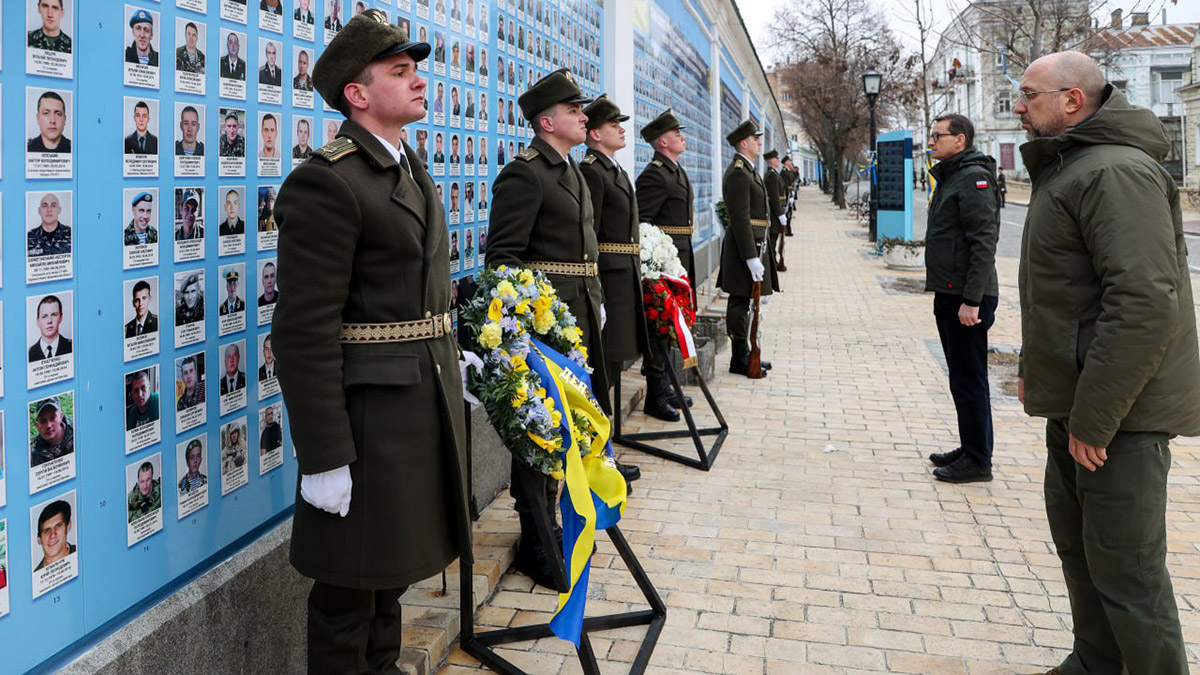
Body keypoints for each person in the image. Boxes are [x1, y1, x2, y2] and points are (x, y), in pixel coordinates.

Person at [272, 12, 470, 672]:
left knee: (386, 581)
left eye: (416, 69)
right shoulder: (329, 180)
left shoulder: (406, 167)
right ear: (357, 93)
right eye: (400, 71)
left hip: (411, 413)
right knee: (346, 596)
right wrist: (323, 455)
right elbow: (303, 333)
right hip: (365, 423)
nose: (418, 81)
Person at [1014, 50, 1200, 675]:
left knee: (1129, 572)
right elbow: (1067, 297)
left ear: (1072, 100)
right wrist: (1037, 374)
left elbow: (1144, 302)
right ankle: (1095, 663)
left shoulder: (1114, 172)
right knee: (1083, 552)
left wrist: (1094, 418)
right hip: (1080, 410)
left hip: (1117, 419)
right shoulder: (1073, 166)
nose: (1019, 106)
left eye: (1029, 94)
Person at [486, 68, 608, 590]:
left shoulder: (571, 169)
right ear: (546, 120)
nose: (584, 117)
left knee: (568, 427)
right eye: (575, 110)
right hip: (546, 331)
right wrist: (531, 328)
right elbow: (503, 261)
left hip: (578, 318)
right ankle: (537, 535)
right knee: (540, 430)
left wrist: (595, 300)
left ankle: (556, 520)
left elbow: (585, 249)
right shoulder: (526, 173)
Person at [922, 113, 1000, 484]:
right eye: (932, 135)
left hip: (967, 298)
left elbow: (983, 243)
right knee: (961, 377)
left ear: (960, 140)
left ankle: (978, 460)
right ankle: (971, 447)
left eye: (938, 135)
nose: (932, 141)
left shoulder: (973, 178)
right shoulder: (954, 175)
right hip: (951, 292)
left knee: (970, 378)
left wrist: (972, 300)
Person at [579, 94, 648, 481]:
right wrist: (598, 292)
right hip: (607, 278)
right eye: (613, 125)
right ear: (594, 134)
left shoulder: (612, 168)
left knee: (613, 366)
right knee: (601, 373)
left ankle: (604, 453)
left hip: (623, 278)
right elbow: (589, 234)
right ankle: (599, 459)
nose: (622, 129)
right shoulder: (593, 171)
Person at [635, 109, 696, 409]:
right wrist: (654, 262)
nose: (682, 137)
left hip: (679, 256)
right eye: (676, 134)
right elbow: (642, 223)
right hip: (662, 265)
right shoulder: (654, 175)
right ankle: (655, 393)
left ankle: (667, 386)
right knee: (659, 326)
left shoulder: (675, 169)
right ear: (662, 142)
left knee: (673, 324)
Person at [718, 120, 776, 377]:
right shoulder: (739, 173)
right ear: (744, 143)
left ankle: (745, 353)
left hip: (755, 245)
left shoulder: (749, 170)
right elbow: (740, 219)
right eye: (755, 139)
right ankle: (739, 357)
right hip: (744, 248)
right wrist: (751, 256)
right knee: (740, 302)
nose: (759, 143)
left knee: (748, 303)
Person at [30, 397, 74, 467]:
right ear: (37, 425)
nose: (49, 425)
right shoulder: (32, 452)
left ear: (61, 416)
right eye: (43, 421)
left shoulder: (78, 429)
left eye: (53, 418)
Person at [34, 500, 76, 571]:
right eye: (47, 530)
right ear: (39, 539)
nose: (53, 535)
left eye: (58, 526)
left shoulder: (83, 551)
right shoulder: (34, 576)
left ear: (68, 526)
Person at [763, 150, 787, 272]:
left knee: (774, 239)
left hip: (774, 214)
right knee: (772, 241)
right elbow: (774, 198)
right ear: (772, 160)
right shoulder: (771, 176)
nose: (778, 161)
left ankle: (773, 263)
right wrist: (780, 214)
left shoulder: (773, 174)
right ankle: (772, 265)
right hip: (773, 215)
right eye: (776, 158)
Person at [29, 295, 72, 362]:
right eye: (44, 316)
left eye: (54, 314)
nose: (49, 321)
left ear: (61, 318)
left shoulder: (71, 346)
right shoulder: (29, 354)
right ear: (38, 321)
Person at [28, 192, 72, 257]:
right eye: (45, 206)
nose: (49, 210)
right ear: (39, 211)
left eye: (53, 205)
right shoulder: (29, 237)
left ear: (59, 210)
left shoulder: (71, 234)